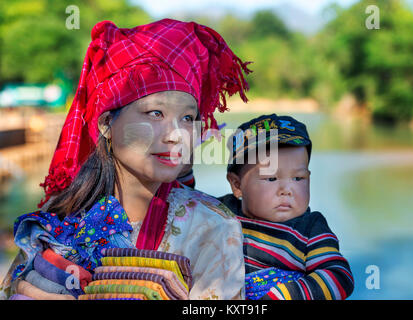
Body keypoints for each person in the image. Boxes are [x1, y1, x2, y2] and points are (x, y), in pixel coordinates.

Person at [0, 18, 252, 300]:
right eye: (155, 113)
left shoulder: (213, 226)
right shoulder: (57, 220)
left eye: (188, 118)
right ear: (107, 123)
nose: (176, 136)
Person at [218, 114, 354, 300]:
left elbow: (339, 277)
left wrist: (281, 296)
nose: (286, 190)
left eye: (298, 178)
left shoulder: (309, 229)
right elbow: (179, 199)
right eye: (271, 178)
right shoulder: (220, 212)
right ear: (237, 185)